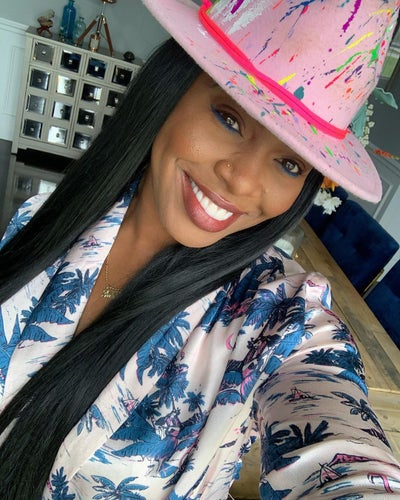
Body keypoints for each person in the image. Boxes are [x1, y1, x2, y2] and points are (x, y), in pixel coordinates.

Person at [0, 0, 399, 498]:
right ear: (168, 92)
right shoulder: (39, 217)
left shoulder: (276, 315)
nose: (243, 180)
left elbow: (337, 447)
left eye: (290, 164)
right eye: (229, 118)